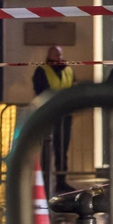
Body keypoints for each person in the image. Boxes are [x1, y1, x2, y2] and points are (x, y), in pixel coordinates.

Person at [31, 45, 75, 193]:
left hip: (65, 115)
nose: (59, 58)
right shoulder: (42, 71)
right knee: (47, 148)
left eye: (60, 55)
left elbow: (73, 89)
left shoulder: (68, 70)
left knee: (62, 149)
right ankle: (44, 180)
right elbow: (41, 92)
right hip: (49, 115)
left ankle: (61, 181)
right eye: (56, 55)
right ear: (49, 56)